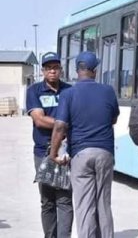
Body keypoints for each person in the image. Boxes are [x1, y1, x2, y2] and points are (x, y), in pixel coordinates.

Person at [49, 51, 120, 238]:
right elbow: (113, 119)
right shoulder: (108, 91)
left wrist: (53, 153)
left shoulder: (68, 94)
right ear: (94, 71)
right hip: (105, 153)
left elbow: (60, 126)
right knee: (103, 204)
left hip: (81, 154)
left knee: (85, 206)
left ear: (77, 70)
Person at [26, 51, 73, 238]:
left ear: (60, 70)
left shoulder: (70, 90)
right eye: (48, 68)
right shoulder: (34, 91)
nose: (52, 71)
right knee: (47, 201)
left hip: (66, 152)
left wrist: (57, 122)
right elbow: (39, 120)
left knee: (65, 200)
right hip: (42, 152)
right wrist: (64, 122)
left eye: (55, 67)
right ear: (43, 71)